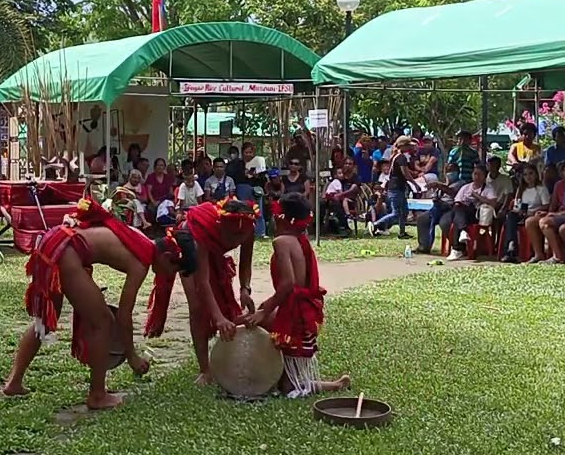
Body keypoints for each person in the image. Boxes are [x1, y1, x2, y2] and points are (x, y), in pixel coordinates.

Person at [2, 197, 193, 409]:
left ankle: (14, 382)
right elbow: (123, 315)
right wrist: (132, 357)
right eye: (175, 270)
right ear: (167, 257)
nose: (171, 276)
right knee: (103, 322)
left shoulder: (140, 237)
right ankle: (97, 395)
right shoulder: (142, 261)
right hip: (66, 249)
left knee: (44, 323)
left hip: (55, 240)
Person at [241, 193, 352, 399]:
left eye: (275, 213)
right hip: (302, 308)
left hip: (296, 312)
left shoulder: (282, 241)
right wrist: (267, 307)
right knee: (254, 320)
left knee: (288, 388)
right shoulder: (301, 240)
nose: (273, 217)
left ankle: (327, 385)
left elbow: (289, 284)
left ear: (282, 217)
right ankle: (284, 376)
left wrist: (265, 309)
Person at [145, 198, 257, 386]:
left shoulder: (247, 227)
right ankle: (205, 370)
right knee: (197, 306)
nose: (236, 240)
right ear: (221, 226)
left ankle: (227, 356)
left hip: (211, 251)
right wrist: (218, 318)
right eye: (232, 235)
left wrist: (245, 288)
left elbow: (246, 262)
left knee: (224, 304)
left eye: (241, 236)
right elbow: (202, 282)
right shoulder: (203, 233)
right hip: (188, 247)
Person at [530, 160, 565, 264]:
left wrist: (557, 214)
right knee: (534, 221)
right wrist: (549, 213)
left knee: (544, 222)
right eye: (564, 170)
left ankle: (557, 256)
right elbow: (564, 207)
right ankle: (540, 254)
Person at [444, 166, 500, 261]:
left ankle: (457, 248)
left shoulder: (488, 189)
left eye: (480, 174)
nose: (477, 177)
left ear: (485, 176)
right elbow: (457, 201)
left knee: (459, 215)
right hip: (461, 212)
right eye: (475, 174)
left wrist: (477, 196)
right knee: (455, 212)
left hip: (476, 214)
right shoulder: (466, 187)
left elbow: (493, 203)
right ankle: (462, 234)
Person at [501, 164, 551, 262]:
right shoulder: (521, 189)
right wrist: (519, 210)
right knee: (510, 217)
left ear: (536, 174)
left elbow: (546, 205)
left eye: (531, 173)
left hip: (535, 214)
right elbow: (517, 204)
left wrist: (533, 211)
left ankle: (512, 247)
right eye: (525, 175)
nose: (528, 177)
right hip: (521, 214)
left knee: (512, 221)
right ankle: (511, 248)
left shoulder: (541, 188)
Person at [372, 135, 416, 239]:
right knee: (396, 213)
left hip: (398, 187)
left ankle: (402, 232)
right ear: (403, 146)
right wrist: (415, 184)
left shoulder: (396, 156)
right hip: (396, 188)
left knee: (403, 211)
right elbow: (406, 174)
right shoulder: (401, 158)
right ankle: (376, 224)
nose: (410, 147)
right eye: (408, 145)